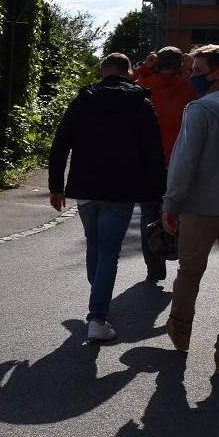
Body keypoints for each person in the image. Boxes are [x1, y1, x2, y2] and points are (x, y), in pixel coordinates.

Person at [48, 53, 166, 342]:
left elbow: (60, 144)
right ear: (128, 73)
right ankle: (97, 318)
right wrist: (158, 193)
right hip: (121, 189)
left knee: (95, 245)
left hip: (85, 187)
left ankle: (98, 303)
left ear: (102, 71)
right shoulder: (141, 104)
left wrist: (56, 186)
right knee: (109, 252)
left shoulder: (82, 101)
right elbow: (154, 153)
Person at [162, 44, 219, 375]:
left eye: (197, 71)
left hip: (201, 206)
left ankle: (181, 331)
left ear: (218, 73)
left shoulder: (199, 110)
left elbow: (184, 161)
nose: (192, 76)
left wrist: (171, 203)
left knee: (189, 272)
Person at [131, 46, 196, 281]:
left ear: (157, 63)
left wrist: (144, 68)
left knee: (148, 213)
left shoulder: (144, 86)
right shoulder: (189, 87)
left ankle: (154, 267)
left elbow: (121, 82)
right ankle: (183, 264)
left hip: (148, 162)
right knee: (182, 214)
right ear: (180, 65)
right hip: (180, 161)